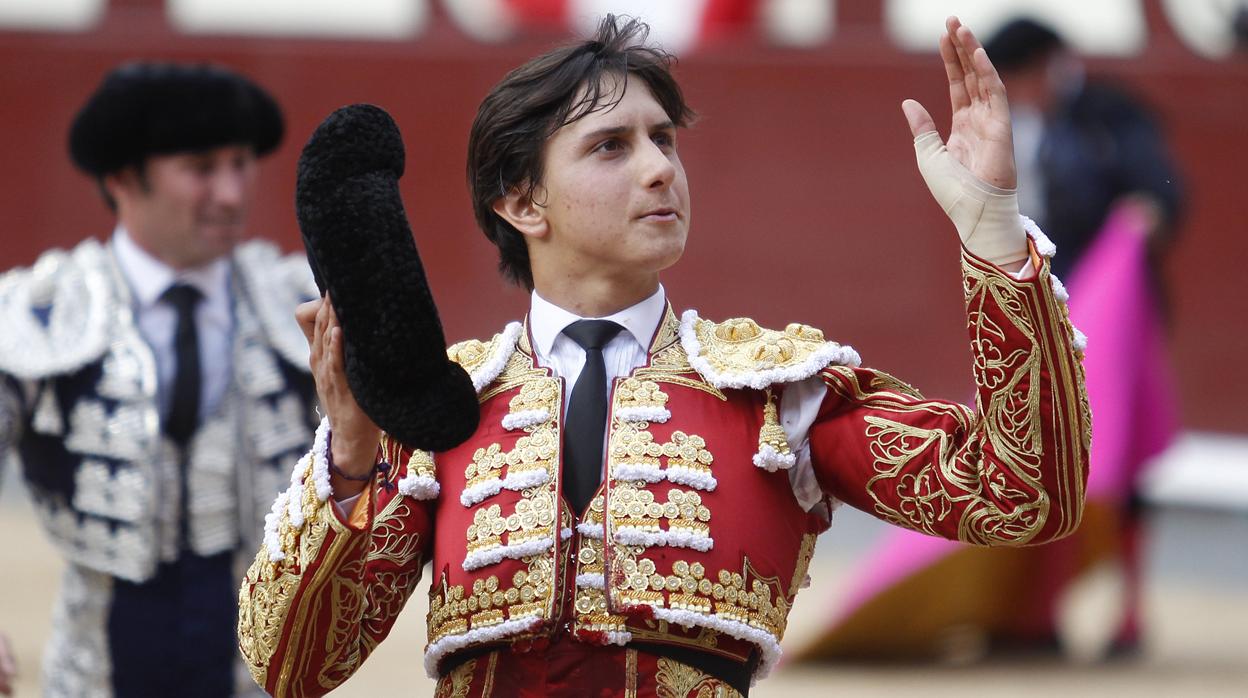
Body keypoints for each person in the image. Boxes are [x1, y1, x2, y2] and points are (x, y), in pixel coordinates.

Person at [238, 15, 1090, 696]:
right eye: (612, 146)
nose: (659, 170)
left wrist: (993, 235)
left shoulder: (776, 393)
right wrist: (350, 457)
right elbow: (291, 669)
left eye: (665, 140)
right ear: (520, 201)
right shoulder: (442, 407)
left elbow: (1019, 495)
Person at [796, 17, 1182, 662]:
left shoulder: (1111, 112)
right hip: (1046, 311)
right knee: (1050, 449)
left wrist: (1149, 213)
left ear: (1053, 66)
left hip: (1118, 322)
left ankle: (1130, 612)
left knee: (1115, 466)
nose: (1023, 90)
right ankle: (1035, 614)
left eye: (1027, 76)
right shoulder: (1015, 125)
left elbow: (1164, 186)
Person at [0, 63, 320, 696]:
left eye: (240, 164)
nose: (232, 194)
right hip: (94, 668)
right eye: (202, 169)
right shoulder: (43, 307)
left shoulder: (301, 303)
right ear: (122, 179)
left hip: (257, 668)